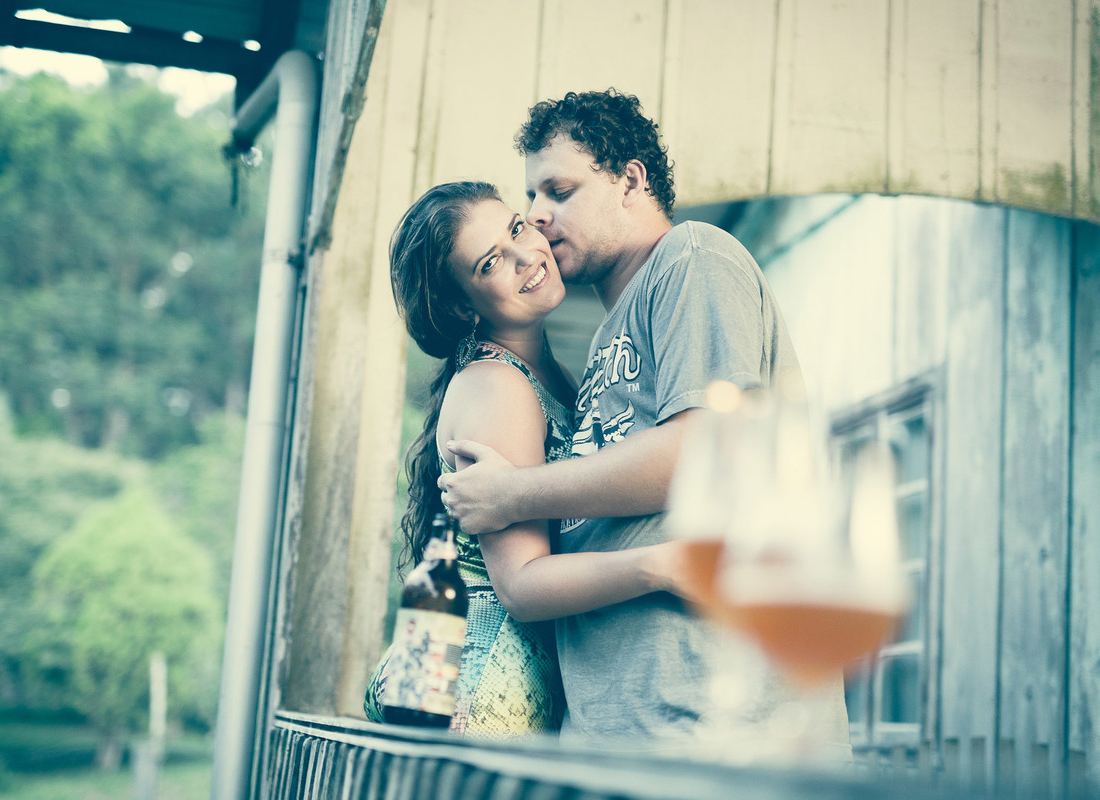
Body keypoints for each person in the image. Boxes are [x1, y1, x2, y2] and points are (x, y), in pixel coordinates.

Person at [437, 89, 850, 746]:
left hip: (714, 726)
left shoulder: (692, 259)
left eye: (559, 192)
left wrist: (513, 492)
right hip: (620, 733)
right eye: (531, 200)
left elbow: (708, 449)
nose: (539, 218)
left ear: (630, 179)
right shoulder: (602, 345)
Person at [363, 180, 691, 738]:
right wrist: (663, 566)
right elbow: (522, 586)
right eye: (491, 262)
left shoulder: (534, 371)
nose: (526, 255)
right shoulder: (498, 386)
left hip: (494, 691)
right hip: (484, 699)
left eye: (517, 228)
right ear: (460, 307)